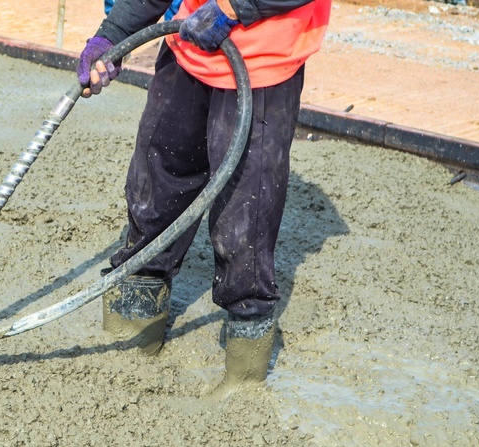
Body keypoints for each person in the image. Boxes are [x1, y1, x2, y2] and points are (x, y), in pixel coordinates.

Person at [78, 0, 331, 392]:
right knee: (155, 181)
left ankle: (243, 373)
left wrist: (234, 6)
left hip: (261, 62)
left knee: (245, 217)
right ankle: (133, 325)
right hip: (188, 47)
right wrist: (112, 34)